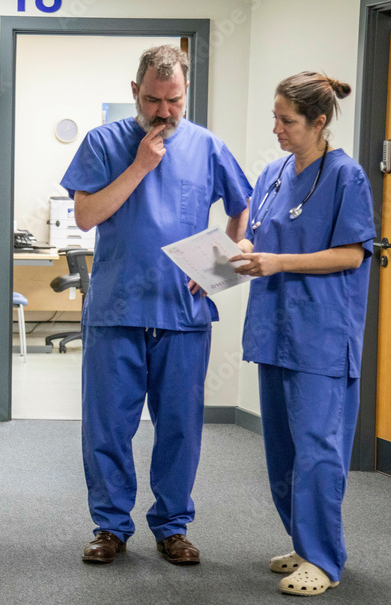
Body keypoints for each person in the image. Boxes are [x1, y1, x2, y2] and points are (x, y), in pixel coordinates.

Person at [60, 45, 252, 566]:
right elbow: (86, 216)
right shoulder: (104, 143)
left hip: (181, 315)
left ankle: (172, 526)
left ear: (185, 93)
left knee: (180, 427)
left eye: (174, 100)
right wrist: (141, 166)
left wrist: (218, 271)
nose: (164, 112)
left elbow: (242, 209)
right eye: (153, 100)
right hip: (117, 309)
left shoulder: (208, 147)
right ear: (134, 93)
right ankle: (110, 527)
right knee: (107, 427)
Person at [229, 72, 375, 596]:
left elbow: (352, 253)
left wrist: (278, 262)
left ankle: (325, 560)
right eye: (274, 117)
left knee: (318, 446)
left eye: (287, 120)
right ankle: (302, 542)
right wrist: (236, 257)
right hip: (275, 328)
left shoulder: (346, 177)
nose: (277, 129)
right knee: (283, 448)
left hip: (320, 332)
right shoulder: (272, 172)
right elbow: (257, 236)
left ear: (319, 121)